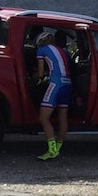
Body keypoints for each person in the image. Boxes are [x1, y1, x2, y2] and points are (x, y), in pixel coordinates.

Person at [35, 30, 72, 160]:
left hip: (55, 84)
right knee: (63, 117)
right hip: (67, 84)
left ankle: (52, 150)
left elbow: (40, 74)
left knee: (43, 118)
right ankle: (58, 147)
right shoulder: (64, 51)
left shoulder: (41, 50)